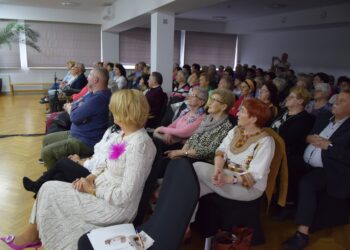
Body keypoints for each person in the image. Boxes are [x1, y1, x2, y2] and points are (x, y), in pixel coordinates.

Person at [1, 90, 157, 250]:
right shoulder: (123, 135)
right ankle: (35, 236)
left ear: (125, 112)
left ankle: (40, 240)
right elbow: (106, 163)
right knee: (48, 188)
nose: (111, 112)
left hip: (115, 208)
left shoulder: (140, 146)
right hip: (100, 191)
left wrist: (92, 191)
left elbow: (125, 196)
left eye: (114, 109)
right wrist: (89, 178)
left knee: (50, 191)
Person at [189, 99, 275, 229]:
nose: (237, 114)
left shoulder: (265, 142)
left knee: (197, 167)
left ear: (253, 119)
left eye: (242, 111)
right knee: (191, 187)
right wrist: (218, 169)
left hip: (250, 188)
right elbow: (221, 151)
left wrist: (228, 179)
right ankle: (186, 228)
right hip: (227, 174)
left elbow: (254, 176)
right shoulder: (236, 130)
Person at [283, 91, 350, 250]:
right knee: (287, 165)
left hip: (331, 169)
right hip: (308, 162)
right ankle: (287, 206)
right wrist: (308, 138)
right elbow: (306, 135)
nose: (335, 102)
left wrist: (329, 146)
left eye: (341, 101)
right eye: (336, 99)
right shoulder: (324, 117)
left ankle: (302, 233)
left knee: (308, 183)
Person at [40, 67, 111, 169]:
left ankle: (55, 177)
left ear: (95, 80)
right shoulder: (92, 94)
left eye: (90, 75)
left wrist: (71, 109)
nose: (87, 78)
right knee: (46, 139)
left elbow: (74, 117)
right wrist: (74, 109)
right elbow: (76, 104)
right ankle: (55, 169)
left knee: (46, 152)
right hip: (77, 133)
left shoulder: (99, 98)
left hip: (85, 140)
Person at [271, 87, 315, 218]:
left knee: (289, 166)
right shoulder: (284, 112)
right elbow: (271, 126)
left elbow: (288, 138)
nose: (287, 99)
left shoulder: (306, 119)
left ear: (300, 101)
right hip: (276, 149)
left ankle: (288, 204)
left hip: (290, 153)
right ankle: (276, 197)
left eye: (291, 97)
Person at [164, 89, 235, 164]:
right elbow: (192, 138)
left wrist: (181, 153)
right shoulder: (207, 118)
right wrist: (180, 153)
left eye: (214, 100)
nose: (209, 103)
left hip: (202, 162)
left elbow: (206, 152)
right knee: (167, 159)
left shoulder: (226, 127)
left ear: (223, 107)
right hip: (188, 155)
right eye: (211, 99)